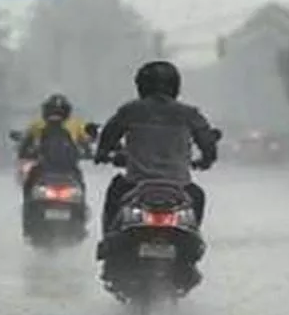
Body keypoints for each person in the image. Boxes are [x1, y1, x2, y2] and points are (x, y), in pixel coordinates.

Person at [93, 61, 219, 239]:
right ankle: (191, 240)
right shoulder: (189, 114)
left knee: (115, 192)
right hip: (179, 185)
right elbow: (207, 142)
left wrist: (102, 153)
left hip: (134, 183)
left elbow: (109, 134)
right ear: (175, 85)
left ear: (142, 85)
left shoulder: (130, 110)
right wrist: (207, 159)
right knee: (197, 196)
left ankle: (108, 241)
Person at [17, 93, 92, 192]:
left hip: (67, 166)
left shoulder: (77, 124)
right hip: (45, 166)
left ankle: (81, 204)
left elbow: (86, 141)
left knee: (79, 183)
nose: (56, 116)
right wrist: (25, 152)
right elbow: (26, 141)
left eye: (59, 112)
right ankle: (28, 204)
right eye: (53, 111)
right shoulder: (37, 124)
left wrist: (88, 152)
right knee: (30, 181)